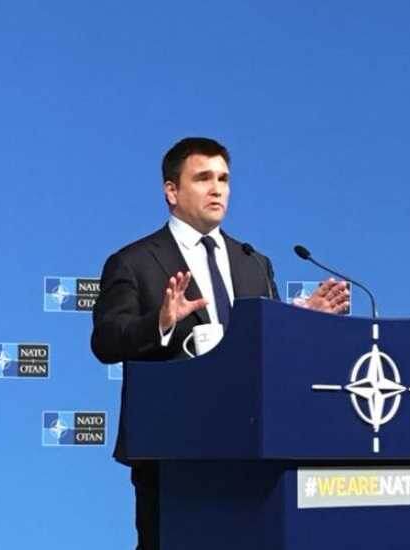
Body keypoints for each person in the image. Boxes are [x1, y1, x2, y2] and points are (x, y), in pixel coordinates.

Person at [90, 137, 349, 550]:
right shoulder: (134, 262)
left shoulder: (252, 261)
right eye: (203, 178)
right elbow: (106, 341)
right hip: (172, 451)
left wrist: (302, 320)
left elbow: (261, 346)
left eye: (224, 179)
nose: (217, 189)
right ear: (172, 191)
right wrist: (161, 322)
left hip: (250, 449)